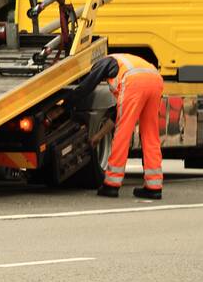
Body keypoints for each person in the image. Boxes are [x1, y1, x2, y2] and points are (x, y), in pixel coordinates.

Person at [67, 53, 164, 199]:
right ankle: (154, 187)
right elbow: (115, 114)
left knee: (122, 134)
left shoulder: (103, 62)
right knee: (151, 135)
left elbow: (88, 86)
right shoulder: (123, 62)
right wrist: (99, 136)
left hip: (134, 82)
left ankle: (111, 185)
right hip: (156, 81)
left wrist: (67, 103)